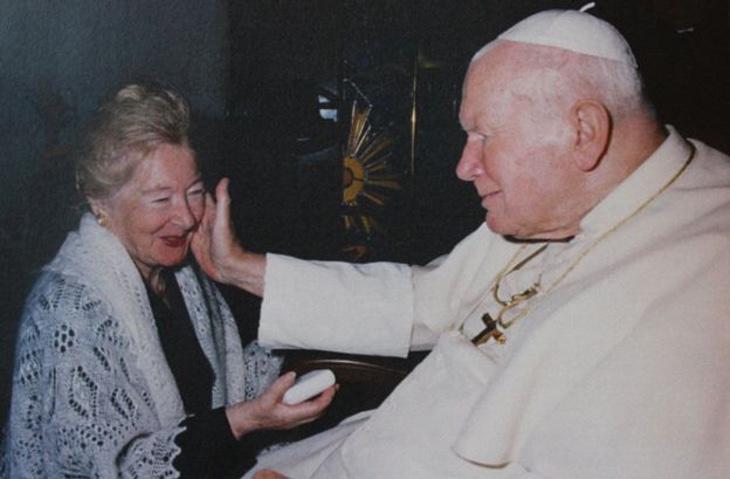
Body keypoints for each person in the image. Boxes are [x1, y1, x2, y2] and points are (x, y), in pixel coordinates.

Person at [194, 9, 730, 479]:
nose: (463, 167)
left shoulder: (705, 291)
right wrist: (241, 268)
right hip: (364, 444)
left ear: (583, 132)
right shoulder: (567, 201)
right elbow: (426, 299)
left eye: (484, 137)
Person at [0, 84, 335, 478]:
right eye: (161, 199)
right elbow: (111, 469)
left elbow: (229, 387)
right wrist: (245, 420)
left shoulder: (183, 277)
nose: (187, 217)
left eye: (194, 192)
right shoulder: (67, 308)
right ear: (98, 201)